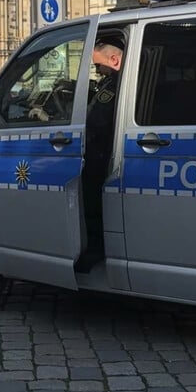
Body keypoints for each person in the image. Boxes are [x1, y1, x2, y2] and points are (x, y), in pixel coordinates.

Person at [77, 36, 124, 271]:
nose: (97, 71)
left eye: (99, 65)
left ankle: (95, 248)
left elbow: (96, 121)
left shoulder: (114, 87)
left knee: (91, 201)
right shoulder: (114, 83)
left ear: (114, 60)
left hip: (101, 153)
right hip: (108, 150)